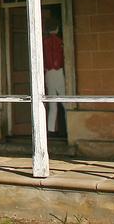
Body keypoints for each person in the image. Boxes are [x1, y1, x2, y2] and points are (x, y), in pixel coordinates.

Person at [42, 8, 65, 136]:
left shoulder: (44, 42)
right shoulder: (59, 41)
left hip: (49, 73)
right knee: (65, 101)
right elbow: (58, 58)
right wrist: (57, 65)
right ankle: (66, 128)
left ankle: (50, 129)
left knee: (52, 103)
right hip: (58, 71)